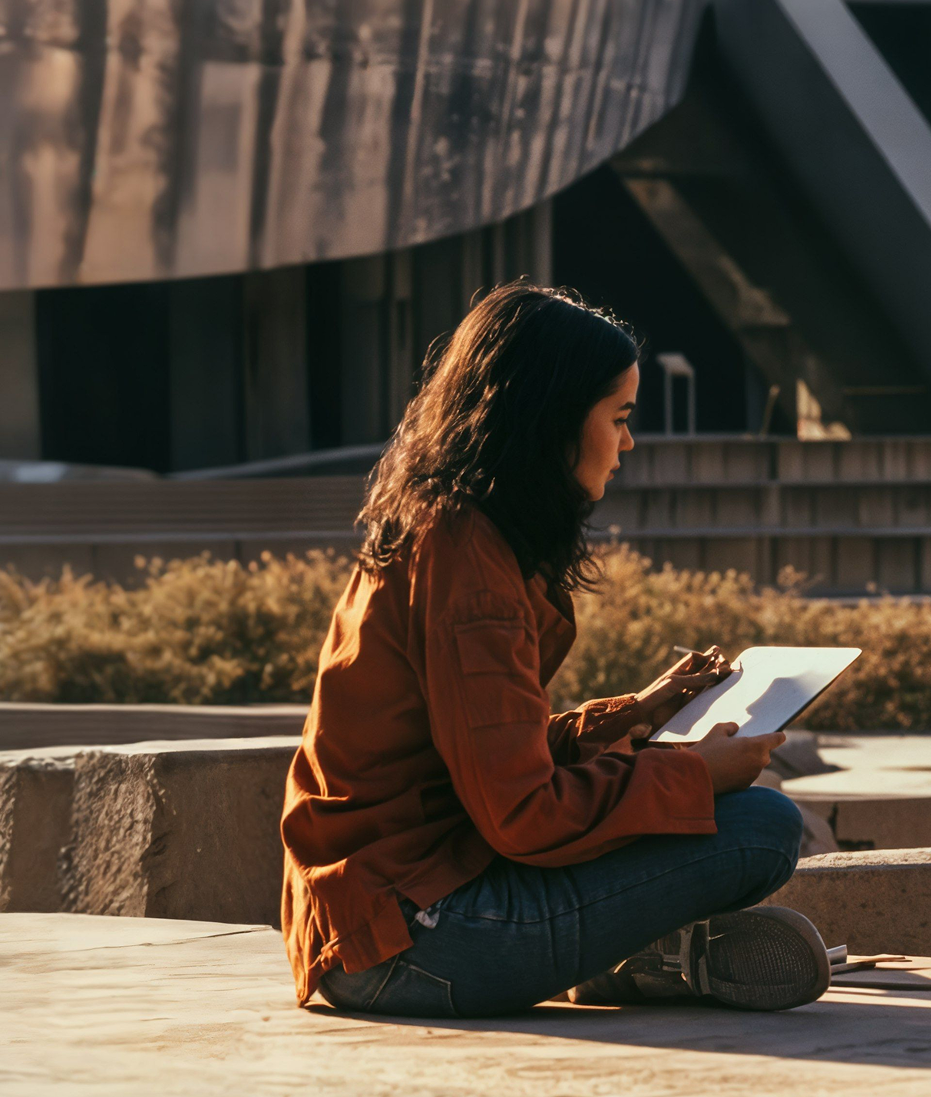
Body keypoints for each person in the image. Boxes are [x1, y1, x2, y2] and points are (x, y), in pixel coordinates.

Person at [280, 284, 828, 1018]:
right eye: (619, 418)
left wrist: (635, 714)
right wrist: (694, 773)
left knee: (739, 814)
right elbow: (524, 813)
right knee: (763, 827)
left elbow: (488, 760)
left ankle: (635, 957)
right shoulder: (469, 566)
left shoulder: (451, 532)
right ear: (551, 419)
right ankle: (645, 953)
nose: (628, 443)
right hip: (413, 939)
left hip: (381, 917)